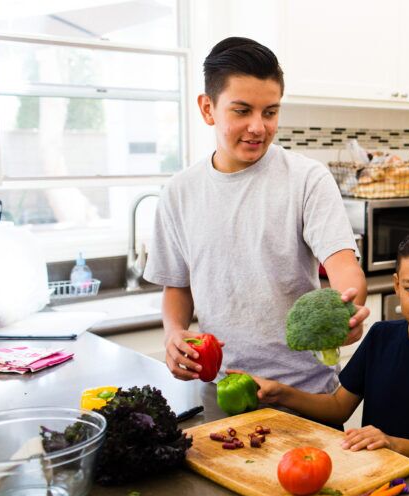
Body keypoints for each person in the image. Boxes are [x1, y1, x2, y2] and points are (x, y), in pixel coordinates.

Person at [144, 37, 368, 396]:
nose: (258, 127)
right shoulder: (179, 192)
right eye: (242, 110)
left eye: (270, 112)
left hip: (305, 394)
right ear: (207, 108)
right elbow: (177, 286)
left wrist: (349, 309)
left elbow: (343, 266)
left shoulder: (307, 178)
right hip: (223, 389)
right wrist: (174, 333)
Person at [237, 226, 409, 479]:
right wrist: (280, 393)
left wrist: (391, 443)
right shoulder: (381, 336)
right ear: (397, 285)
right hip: (377, 472)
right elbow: (338, 406)